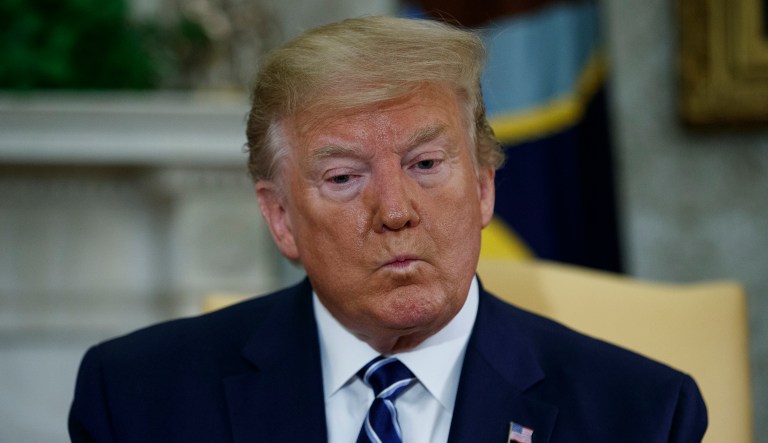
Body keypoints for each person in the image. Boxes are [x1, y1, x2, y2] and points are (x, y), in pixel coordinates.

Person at [69, 16, 707, 442]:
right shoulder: (137, 400)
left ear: (484, 185)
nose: (395, 210)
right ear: (281, 218)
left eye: (426, 164)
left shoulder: (641, 415)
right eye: (345, 178)